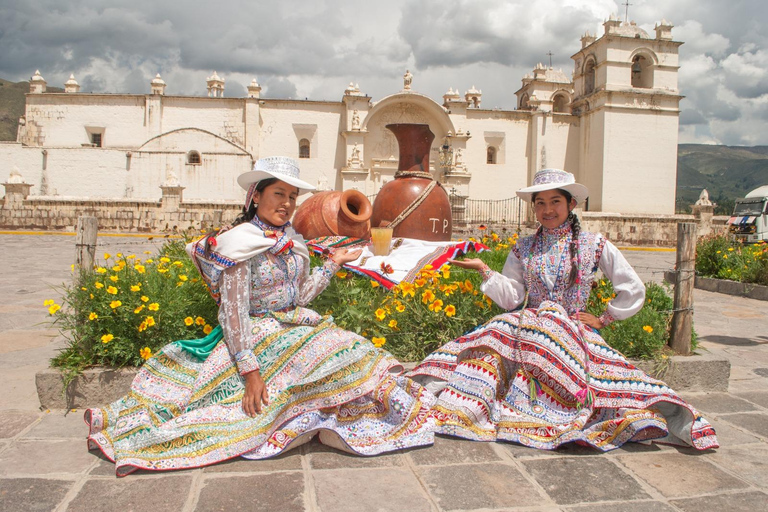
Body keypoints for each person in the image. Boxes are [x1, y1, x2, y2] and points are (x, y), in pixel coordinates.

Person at [86, 156, 435, 476]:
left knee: (353, 350)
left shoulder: (291, 242)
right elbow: (232, 313)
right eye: (278, 194)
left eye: (292, 197)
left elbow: (301, 296)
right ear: (256, 196)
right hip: (257, 335)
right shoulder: (240, 243)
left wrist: (333, 263)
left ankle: (325, 421)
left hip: (294, 324)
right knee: (318, 367)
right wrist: (251, 374)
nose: (286, 204)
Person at [408, 168, 718, 452]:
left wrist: (603, 318)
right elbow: (513, 296)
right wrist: (484, 270)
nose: (547, 210)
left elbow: (632, 287)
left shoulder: (593, 244)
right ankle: (466, 403)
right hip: (528, 324)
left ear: (571, 205)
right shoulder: (524, 247)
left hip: (572, 329)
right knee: (487, 343)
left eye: (555, 201)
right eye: (540, 203)